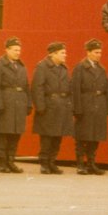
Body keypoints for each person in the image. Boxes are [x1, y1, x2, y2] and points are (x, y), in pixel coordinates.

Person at [0, 36, 30, 174]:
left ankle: (11, 161)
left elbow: (26, 86)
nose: (18, 52)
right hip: (6, 103)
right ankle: (2, 163)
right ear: (7, 50)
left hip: (19, 104)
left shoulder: (21, 66)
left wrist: (28, 103)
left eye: (19, 50)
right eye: (14, 50)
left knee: (15, 134)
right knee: (4, 135)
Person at [31, 42, 74, 175]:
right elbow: (37, 87)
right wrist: (40, 106)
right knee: (47, 137)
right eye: (62, 53)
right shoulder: (42, 67)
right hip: (49, 106)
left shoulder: (63, 68)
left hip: (62, 106)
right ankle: (44, 163)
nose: (65, 55)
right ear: (52, 54)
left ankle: (52, 162)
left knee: (57, 137)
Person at [71, 38, 108, 175]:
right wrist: (77, 108)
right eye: (96, 52)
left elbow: (106, 89)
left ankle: (91, 163)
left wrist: (106, 108)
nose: (99, 55)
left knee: (95, 136)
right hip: (85, 105)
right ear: (88, 53)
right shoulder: (80, 68)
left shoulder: (101, 68)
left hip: (99, 105)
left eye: (100, 52)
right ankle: (81, 164)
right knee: (82, 137)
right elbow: (75, 89)